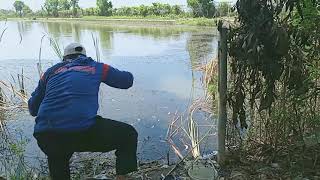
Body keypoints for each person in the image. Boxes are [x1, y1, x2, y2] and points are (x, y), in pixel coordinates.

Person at [28, 43, 138, 180]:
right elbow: (126, 81)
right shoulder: (96, 67)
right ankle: (122, 177)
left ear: (64, 58)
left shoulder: (50, 72)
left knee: (58, 153)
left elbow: (33, 108)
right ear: (84, 56)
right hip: (81, 131)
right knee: (128, 135)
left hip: (45, 134)